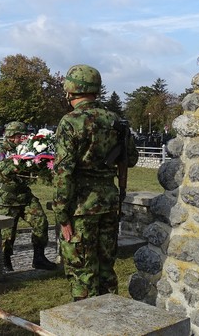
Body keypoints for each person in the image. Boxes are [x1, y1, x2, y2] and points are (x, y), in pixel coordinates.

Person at [53, 64, 139, 301]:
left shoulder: (71, 121)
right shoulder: (116, 121)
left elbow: (64, 172)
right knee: (105, 269)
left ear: (71, 90)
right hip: (109, 204)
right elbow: (130, 159)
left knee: (82, 272)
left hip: (81, 208)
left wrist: (62, 215)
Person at [0, 121, 56, 272]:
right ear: (10, 135)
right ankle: (5, 260)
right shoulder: (1, 150)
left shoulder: (27, 148)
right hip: (7, 198)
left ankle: (39, 258)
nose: (22, 138)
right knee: (7, 233)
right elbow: (0, 167)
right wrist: (19, 162)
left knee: (40, 221)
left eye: (23, 136)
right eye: (19, 136)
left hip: (24, 195)